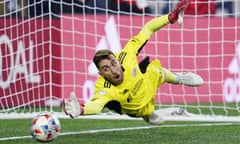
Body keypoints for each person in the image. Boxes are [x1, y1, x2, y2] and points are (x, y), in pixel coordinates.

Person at [63, 0, 203, 125]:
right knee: (127, 107)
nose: (112, 69)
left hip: (145, 83)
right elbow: (97, 105)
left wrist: (170, 17)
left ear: (118, 60)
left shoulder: (127, 55)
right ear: (101, 74)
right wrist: (81, 109)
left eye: (113, 63)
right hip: (134, 108)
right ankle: (147, 114)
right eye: (106, 68)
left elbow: (148, 29)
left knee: (154, 71)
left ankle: (179, 78)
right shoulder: (104, 87)